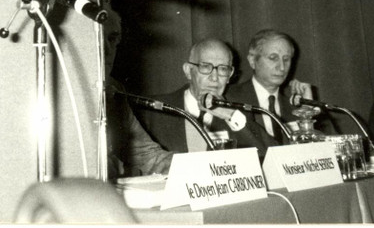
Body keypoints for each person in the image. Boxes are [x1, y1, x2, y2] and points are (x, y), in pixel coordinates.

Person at [135, 37, 275, 158]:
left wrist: (229, 114)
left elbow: (272, 157)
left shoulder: (238, 113)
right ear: (189, 71)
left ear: (229, 76)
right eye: (206, 67)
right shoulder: (154, 111)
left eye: (222, 69)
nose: (214, 78)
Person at [103, 10, 173, 177]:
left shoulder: (113, 89)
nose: (107, 49)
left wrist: (198, 167)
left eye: (112, 39)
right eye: (97, 37)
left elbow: (145, 155)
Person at [224, 29, 327, 142]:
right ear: (252, 60)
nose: (282, 67)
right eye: (273, 58)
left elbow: (328, 148)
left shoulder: (295, 106)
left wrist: (308, 109)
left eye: (286, 59)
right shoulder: (229, 99)